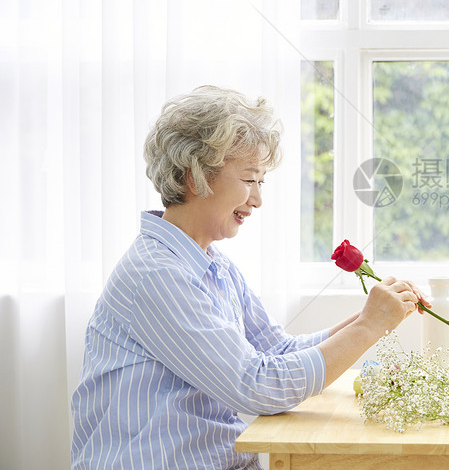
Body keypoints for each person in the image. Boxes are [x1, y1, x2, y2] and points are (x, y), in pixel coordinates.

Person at [70, 86, 429, 469]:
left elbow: (276, 352)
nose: (257, 199)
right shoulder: (156, 274)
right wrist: (369, 328)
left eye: (261, 182)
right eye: (249, 179)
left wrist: (368, 319)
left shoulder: (212, 264)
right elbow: (255, 384)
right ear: (196, 176)